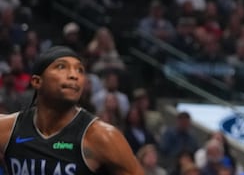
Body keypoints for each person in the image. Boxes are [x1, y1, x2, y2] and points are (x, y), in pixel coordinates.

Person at [0, 45, 143, 174]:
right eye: (61, 67)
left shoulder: (102, 137)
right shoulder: (7, 129)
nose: (74, 75)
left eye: (80, 70)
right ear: (37, 82)